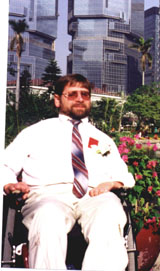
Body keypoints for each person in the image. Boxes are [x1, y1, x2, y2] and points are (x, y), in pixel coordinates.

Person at [0, 74, 135, 270]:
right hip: (47, 195)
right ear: (57, 100)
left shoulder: (102, 139)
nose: (80, 99)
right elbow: (5, 165)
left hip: (93, 195)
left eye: (85, 94)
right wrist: (9, 184)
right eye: (72, 94)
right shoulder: (34, 133)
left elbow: (122, 174)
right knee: (49, 215)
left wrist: (115, 183)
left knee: (110, 211)